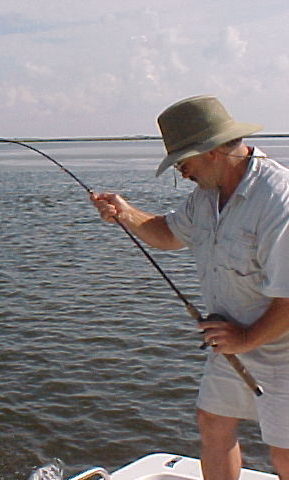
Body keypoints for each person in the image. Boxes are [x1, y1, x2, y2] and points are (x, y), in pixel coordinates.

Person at [91, 95, 289, 480]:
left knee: (284, 455)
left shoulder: (279, 200)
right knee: (212, 423)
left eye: (183, 163)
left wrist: (246, 338)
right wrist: (125, 213)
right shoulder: (206, 196)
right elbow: (168, 233)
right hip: (231, 340)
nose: (182, 174)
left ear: (212, 151)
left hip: (280, 347)